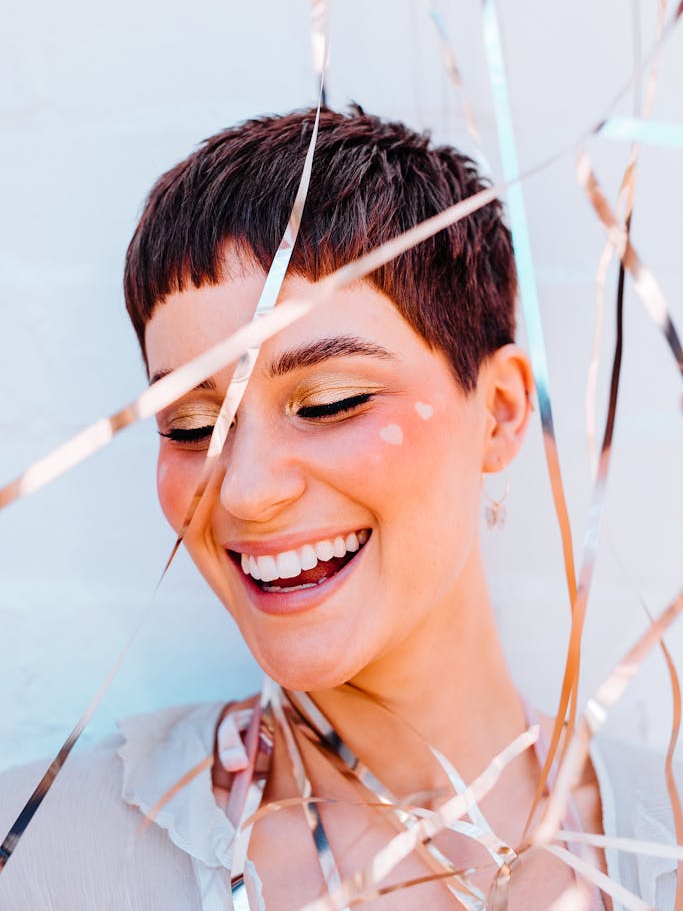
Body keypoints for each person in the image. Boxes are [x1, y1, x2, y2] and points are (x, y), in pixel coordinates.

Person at [0, 107, 678, 909]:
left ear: (497, 412)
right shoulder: (48, 852)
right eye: (190, 425)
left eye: (329, 401)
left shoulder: (658, 841)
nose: (246, 492)